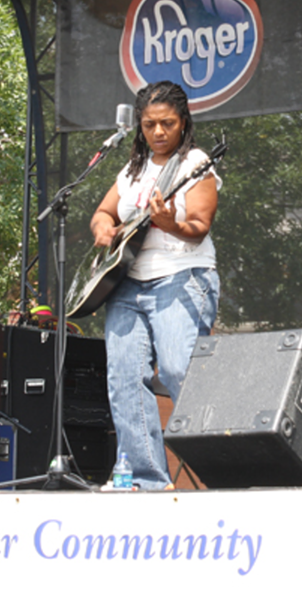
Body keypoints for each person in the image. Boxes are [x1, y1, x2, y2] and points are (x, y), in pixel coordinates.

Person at [89, 81, 220, 490]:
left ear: (183, 123)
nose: (158, 132)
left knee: (181, 369)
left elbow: (198, 228)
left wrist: (170, 224)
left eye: (167, 123)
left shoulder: (195, 162)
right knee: (125, 378)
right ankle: (144, 479)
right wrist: (104, 228)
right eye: (149, 125)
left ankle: (224, 467)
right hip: (126, 283)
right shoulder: (133, 169)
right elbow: (102, 212)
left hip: (181, 275)